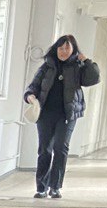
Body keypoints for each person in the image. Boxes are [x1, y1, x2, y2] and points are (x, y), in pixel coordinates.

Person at [24, 36, 100, 199]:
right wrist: (30, 96)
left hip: (67, 114)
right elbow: (33, 86)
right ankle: (41, 187)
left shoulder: (78, 67)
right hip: (45, 114)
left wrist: (86, 61)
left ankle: (55, 187)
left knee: (60, 149)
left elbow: (94, 78)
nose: (63, 51)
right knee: (44, 149)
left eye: (67, 48)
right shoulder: (47, 66)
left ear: (73, 49)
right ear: (56, 49)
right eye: (60, 48)